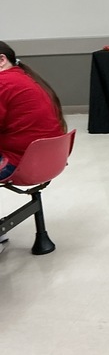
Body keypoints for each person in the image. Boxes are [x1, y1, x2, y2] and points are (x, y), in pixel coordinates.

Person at [0, 42, 67, 249]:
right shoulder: (24, 77)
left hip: (19, 163)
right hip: (46, 160)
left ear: (1, 60)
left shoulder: (3, 83)